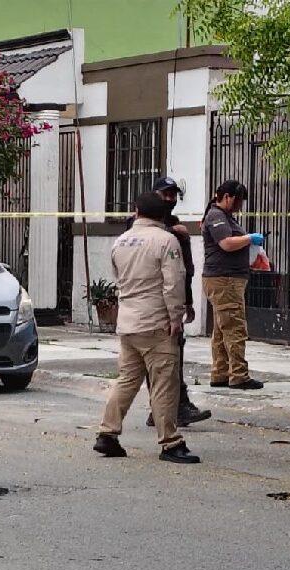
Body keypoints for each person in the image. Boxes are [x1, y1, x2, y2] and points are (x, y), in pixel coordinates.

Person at [94, 191, 199, 464]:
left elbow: (119, 278)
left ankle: (107, 433)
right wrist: (176, 318)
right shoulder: (167, 241)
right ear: (163, 215)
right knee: (165, 384)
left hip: (128, 323)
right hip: (156, 324)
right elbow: (173, 284)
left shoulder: (121, 241)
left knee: (127, 380)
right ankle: (170, 442)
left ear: (136, 212)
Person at [125, 177, 211, 428]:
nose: (170, 199)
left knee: (171, 361)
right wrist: (174, 233)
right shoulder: (143, 223)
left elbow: (183, 272)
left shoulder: (171, 223)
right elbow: (142, 242)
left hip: (172, 302)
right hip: (154, 306)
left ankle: (169, 408)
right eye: (165, 194)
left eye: (173, 195)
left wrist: (188, 302)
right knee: (161, 364)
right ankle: (169, 415)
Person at [201, 180, 264, 390]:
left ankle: (220, 372)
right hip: (224, 279)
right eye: (237, 202)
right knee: (235, 326)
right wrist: (249, 238)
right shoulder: (216, 216)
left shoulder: (224, 216)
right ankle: (239, 374)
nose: (239, 207)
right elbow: (226, 244)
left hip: (227, 278)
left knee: (221, 328)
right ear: (227, 197)